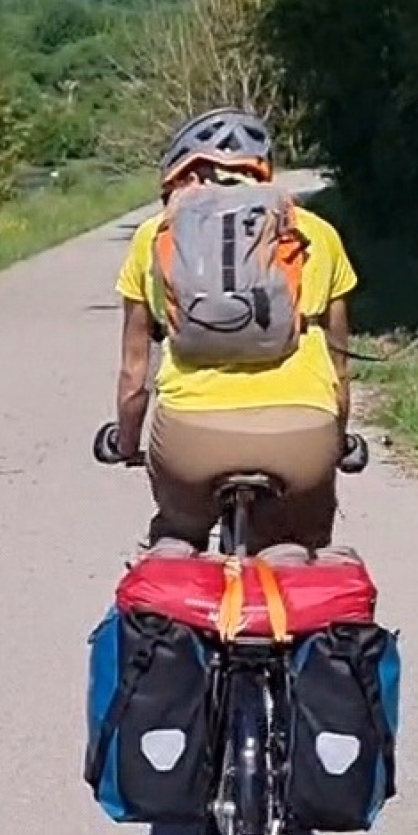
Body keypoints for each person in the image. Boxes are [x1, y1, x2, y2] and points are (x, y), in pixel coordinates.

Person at [112, 109, 357, 550]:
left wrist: (126, 442)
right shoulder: (317, 233)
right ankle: (296, 578)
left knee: (176, 535)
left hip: (190, 438)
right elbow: (339, 368)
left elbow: (134, 373)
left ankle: (172, 567)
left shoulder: (154, 235)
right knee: (300, 544)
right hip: (301, 435)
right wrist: (336, 442)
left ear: (182, 171)